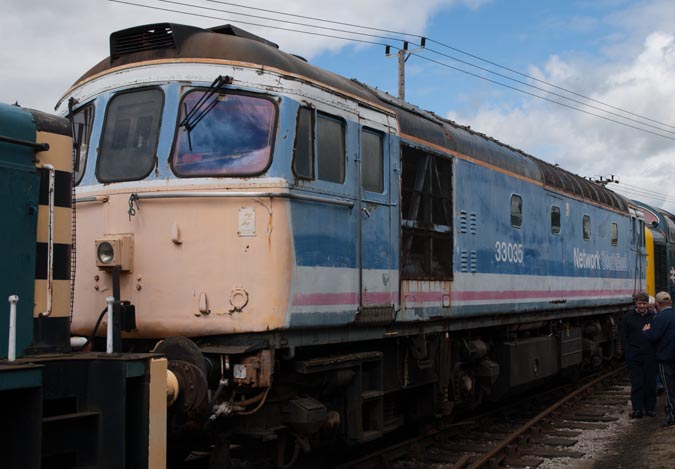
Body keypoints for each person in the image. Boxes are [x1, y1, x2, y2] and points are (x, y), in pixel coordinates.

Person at [621, 292, 657, 418]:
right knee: (637, 383)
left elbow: (657, 336)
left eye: (644, 303)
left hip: (650, 355)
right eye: (639, 303)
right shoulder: (628, 317)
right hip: (634, 355)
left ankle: (650, 408)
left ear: (648, 304)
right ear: (635, 303)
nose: (642, 306)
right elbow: (624, 336)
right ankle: (637, 409)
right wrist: (627, 352)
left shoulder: (653, 317)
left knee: (650, 383)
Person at [643, 291, 675, 426]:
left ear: (657, 304)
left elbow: (654, 337)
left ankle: (672, 417)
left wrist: (646, 331)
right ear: (670, 302)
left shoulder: (660, 318)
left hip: (666, 358)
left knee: (670, 389)